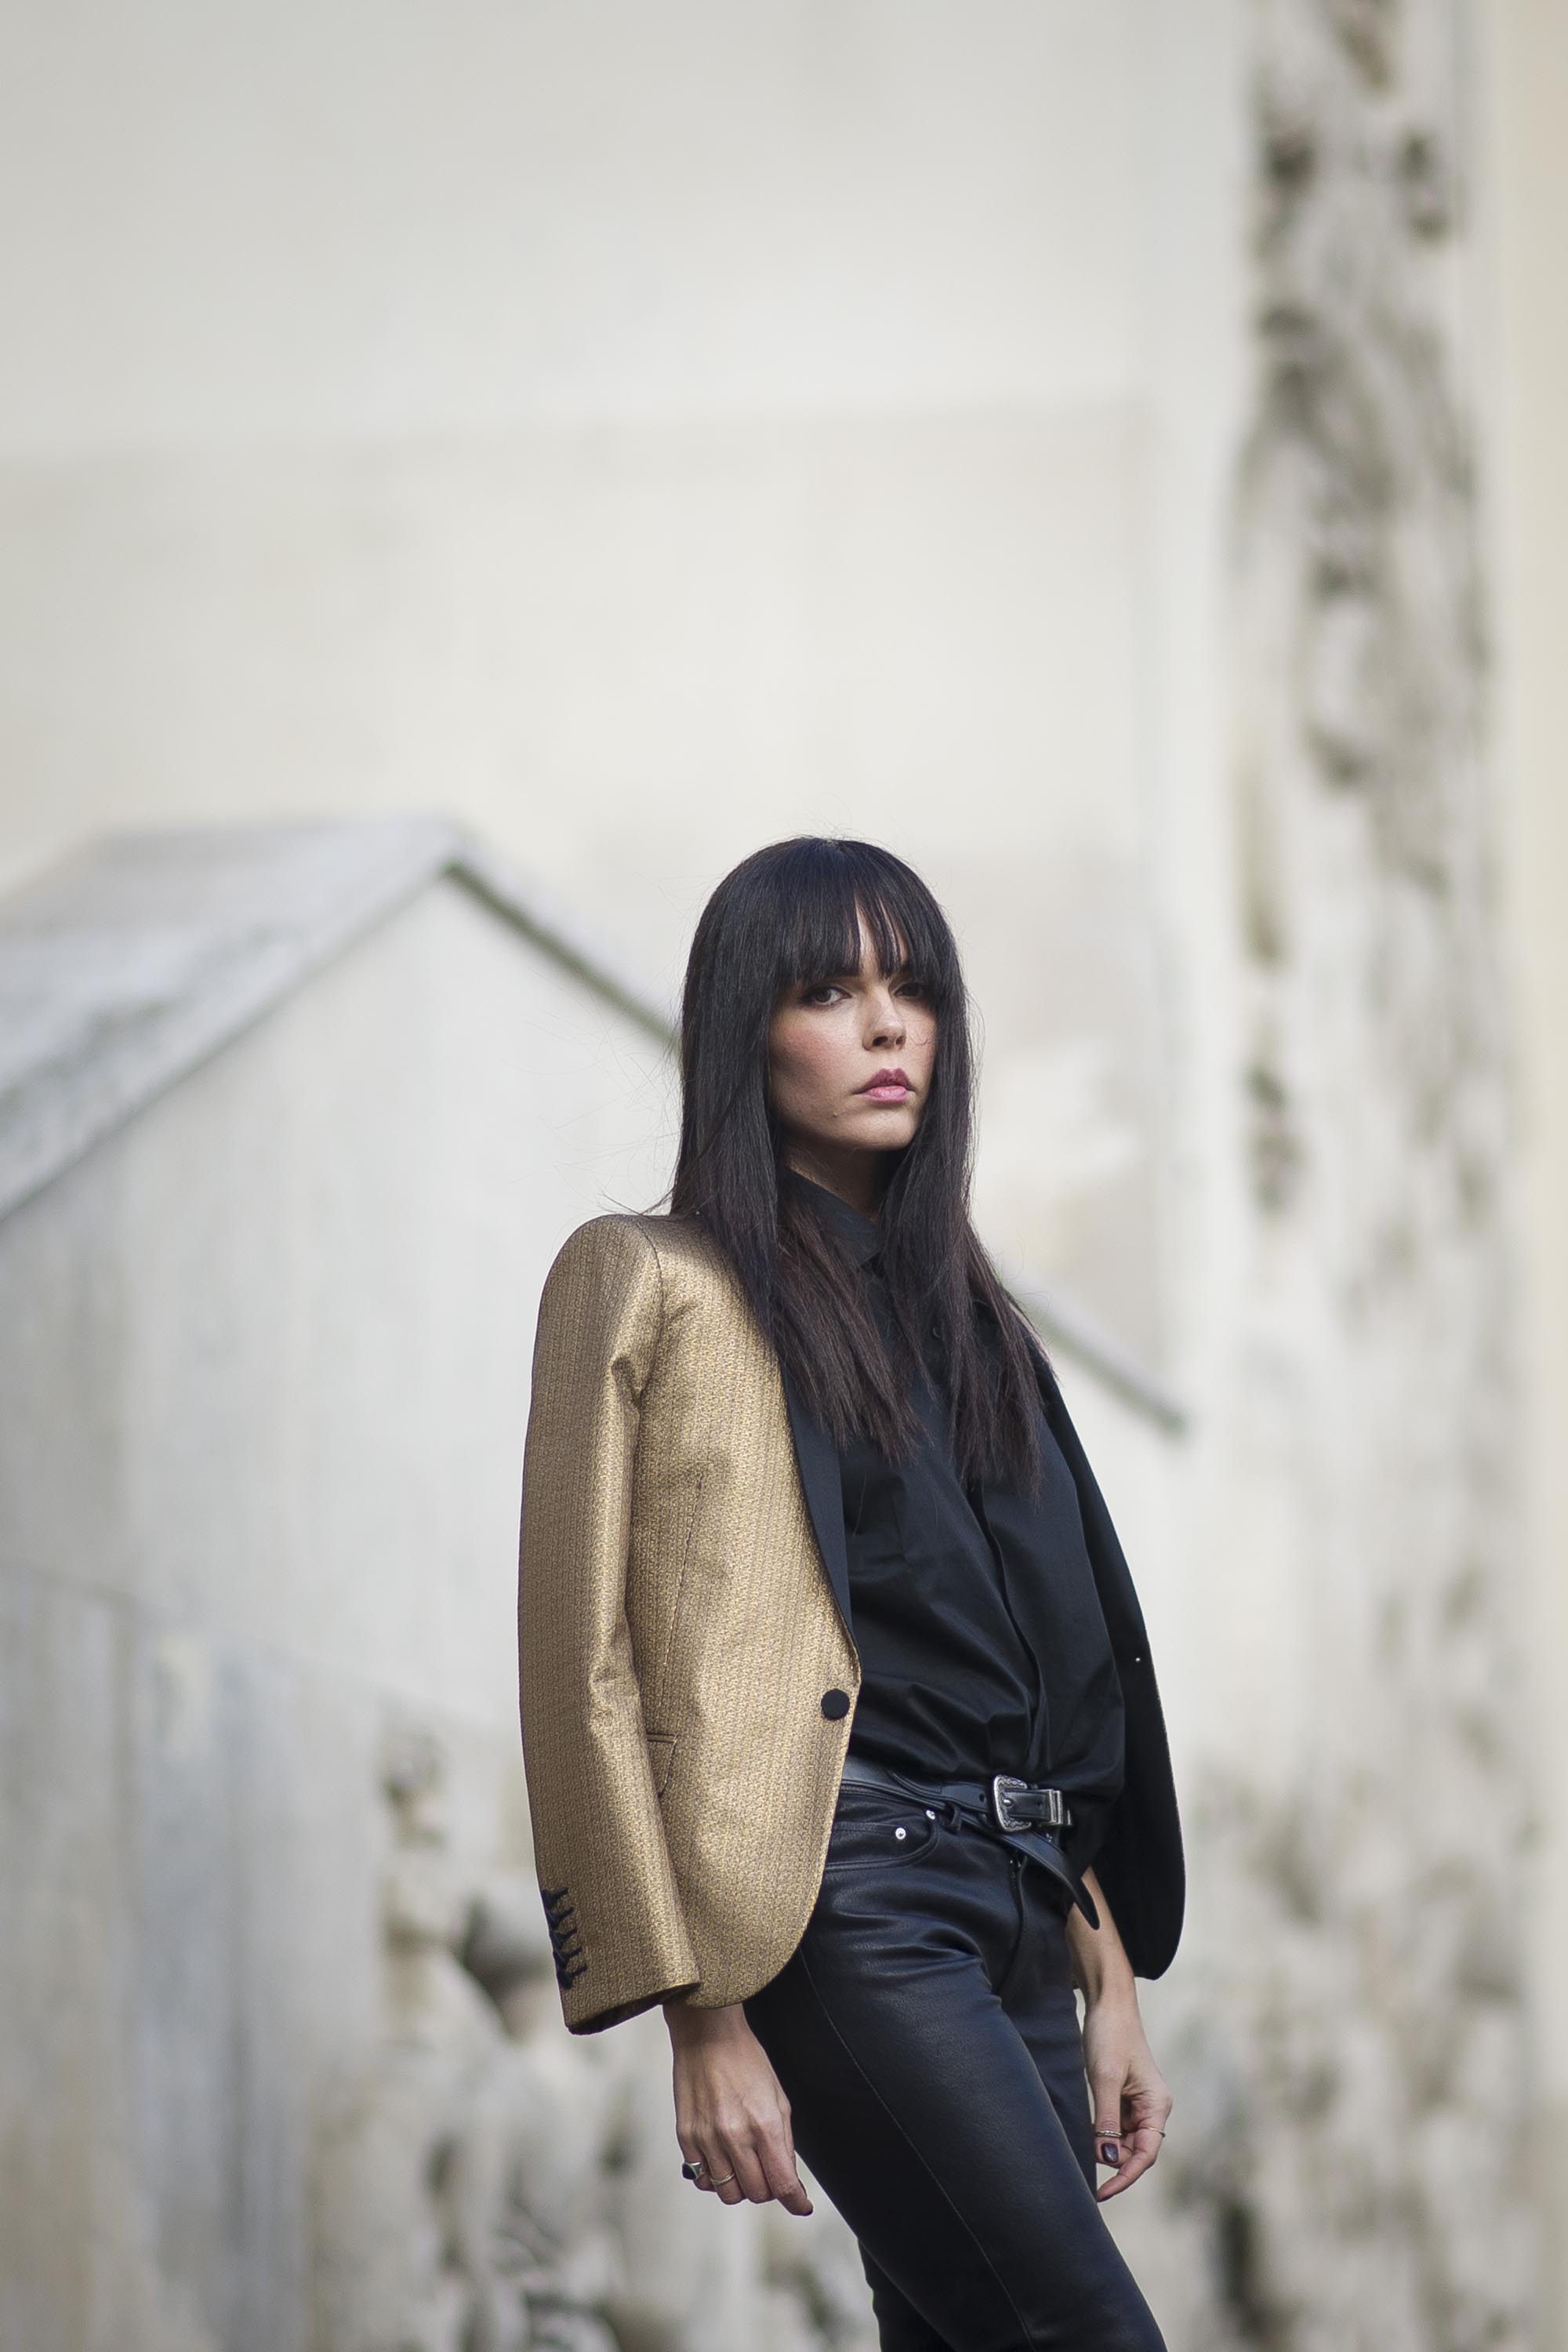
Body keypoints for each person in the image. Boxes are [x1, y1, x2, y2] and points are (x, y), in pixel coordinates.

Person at [517, 837, 1183, 2351]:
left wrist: (1109, 1976)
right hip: (845, 1902)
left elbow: (1040, 1675)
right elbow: (583, 1671)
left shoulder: (982, 1327)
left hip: (1010, 1909)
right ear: (748, 1030)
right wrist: (696, 2016)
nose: (889, 1029)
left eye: (915, 991)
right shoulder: (648, 1283)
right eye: (830, 991)